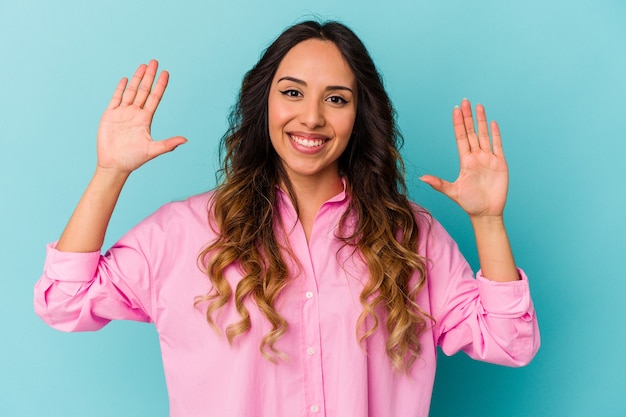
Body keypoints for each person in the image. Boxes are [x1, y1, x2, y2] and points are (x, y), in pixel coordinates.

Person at [35, 20, 540, 417]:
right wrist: (109, 172)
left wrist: (488, 221)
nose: (312, 117)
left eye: (336, 99)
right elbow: (65, 300)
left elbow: (507, 341)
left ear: (359, 115)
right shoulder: (184, 231)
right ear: (265, 103)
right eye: (293, 92)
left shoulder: (410, 235)